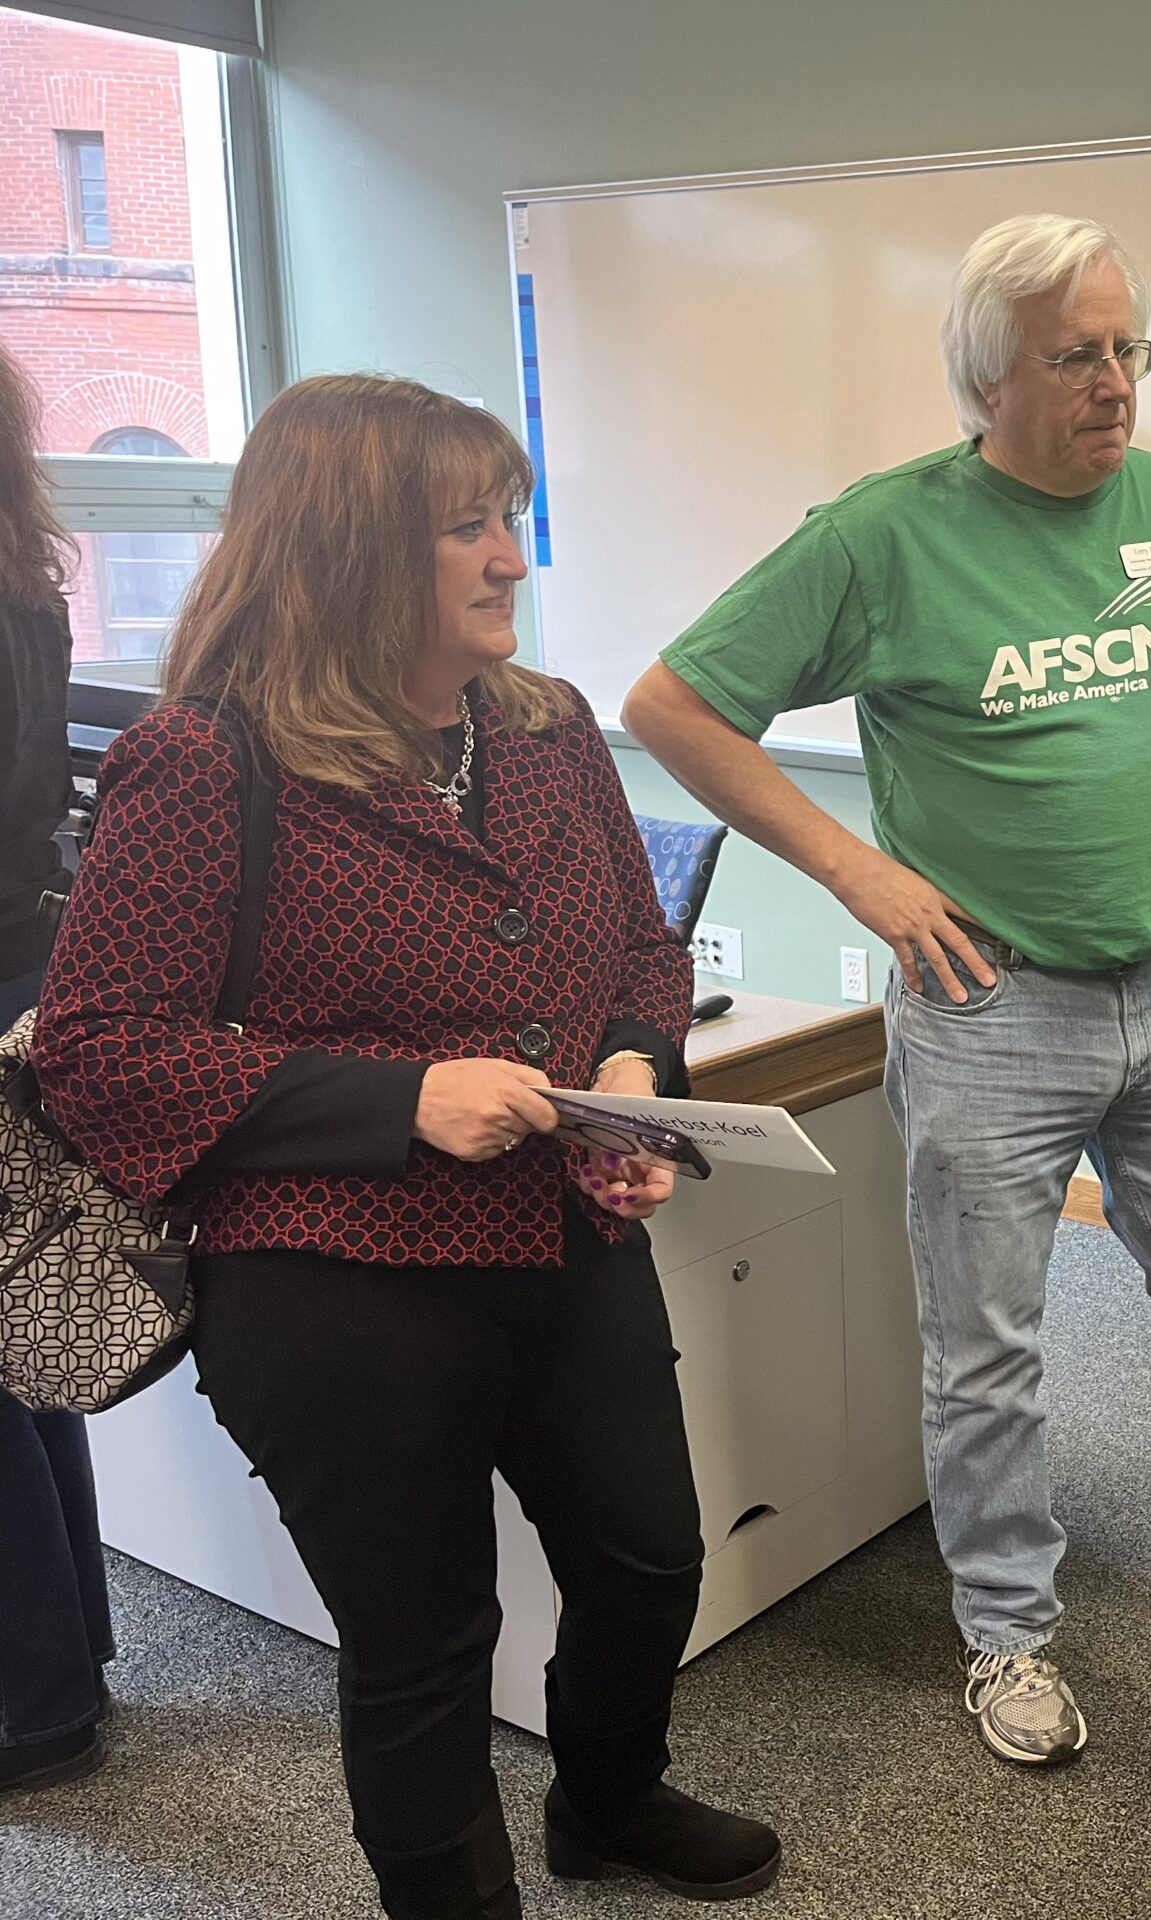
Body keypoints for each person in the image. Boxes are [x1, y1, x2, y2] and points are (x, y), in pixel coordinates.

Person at [623, 213, 1151, 1765]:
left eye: (1128, 350)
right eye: (1076, 357)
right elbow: (674, 705)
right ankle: (1008, 1634)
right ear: (989, 380)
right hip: (990, 1010)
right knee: (988, 1351)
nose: (1116, 385)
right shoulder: (883, 537)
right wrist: (860, 875)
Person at [33, 375, 780, 1918]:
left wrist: (633, 1071)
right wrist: (401, 1100)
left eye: (509, 517)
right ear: (348, 550)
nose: (510, 557)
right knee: (425, 1642)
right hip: (332, 1284)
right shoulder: (205, 760)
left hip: (565, 1235)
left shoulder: (549, 731)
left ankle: (607, 1802)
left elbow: (640, 952)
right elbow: (101, 1048)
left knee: (648, 1561)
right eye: (465, 528)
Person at [0, 343, 117, 1798]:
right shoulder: (27, 582)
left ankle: (33, 1704)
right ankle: (67, 1654)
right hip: (28, 963)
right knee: (23, 1341)